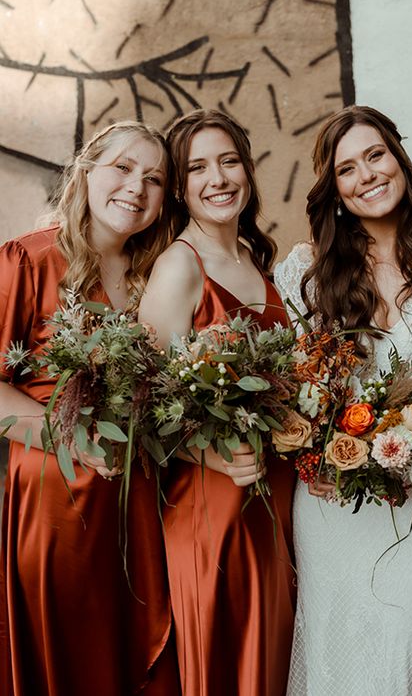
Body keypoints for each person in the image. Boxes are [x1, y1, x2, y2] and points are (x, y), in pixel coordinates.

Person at [274, 105, 412, 695]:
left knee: (411, 644)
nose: (367, 175)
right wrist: (315, 454)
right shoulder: (305, 273)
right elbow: (291, 394)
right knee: (336, 649)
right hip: (333, 502)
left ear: (399, 160)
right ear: (333, 189)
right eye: (346, 169)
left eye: (375, 155)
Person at [0, 121, 180, 694]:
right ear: (85, 171)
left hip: (142, 509)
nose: (136, 188)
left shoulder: (158, 278)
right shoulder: (28, 261)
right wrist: (67, 436)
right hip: (58, 505)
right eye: (123, 169)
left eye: (154, 179)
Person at [138, 109, 295, 696]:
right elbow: (139, 403)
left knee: (269, 663)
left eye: (229, 161)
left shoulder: (254, 259)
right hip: (214, 507)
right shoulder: (181, 264)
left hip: (270, 502)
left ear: (248, 170)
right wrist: (212, 458)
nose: (218, 178)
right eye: (197, 167)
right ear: (180, 186)